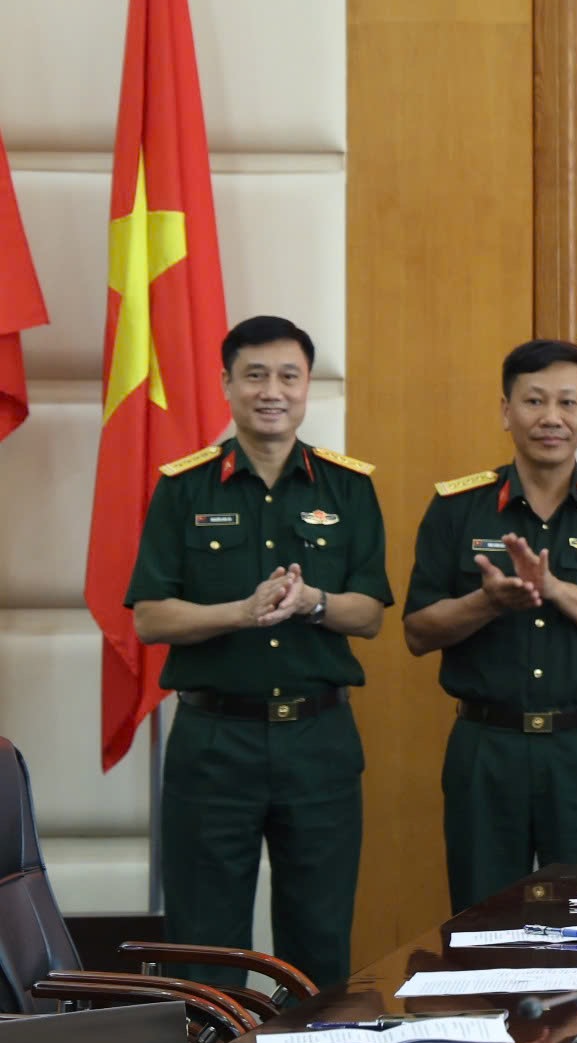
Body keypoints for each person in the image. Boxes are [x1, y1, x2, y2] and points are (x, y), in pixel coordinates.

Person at [124, 316, 388, 987]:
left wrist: (312, 602)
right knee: (204, 944)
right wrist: (240, 613)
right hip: (215, 741)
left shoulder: (348, 487)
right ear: (226, 384)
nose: (272, 391)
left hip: (319, 740)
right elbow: (151, 616)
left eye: (288, 376)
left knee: (318, 939)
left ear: (307, 386)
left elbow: (370, 613)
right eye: (255, 375)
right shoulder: (184, 487)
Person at [404, 340, 577, 911]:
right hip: (486, 748)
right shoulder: (457, 507)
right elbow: (418, 631)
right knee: (482, 922)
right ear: (506, 411)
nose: (551, 418)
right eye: (534, 401)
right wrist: (488, 602)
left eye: (567, 402)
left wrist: (555, 589)